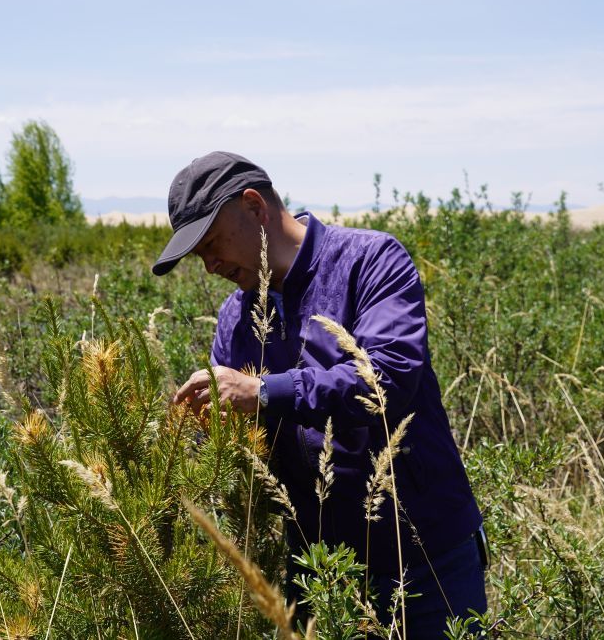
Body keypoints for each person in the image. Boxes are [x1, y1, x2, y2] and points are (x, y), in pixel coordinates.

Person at [153, 151, 487, 636]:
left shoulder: (371, 261)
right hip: (320, 574)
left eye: (211, 243)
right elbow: (243, 443)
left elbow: (386, 379)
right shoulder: (235, 318)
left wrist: (262, 391)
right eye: (198, 255)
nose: (209, 265)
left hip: (427, 562)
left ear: (254, 206)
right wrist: (208, 436)